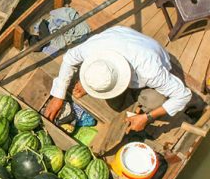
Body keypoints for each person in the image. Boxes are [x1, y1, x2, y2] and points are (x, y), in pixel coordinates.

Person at [42, 26, 199, 133]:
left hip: (151, 53)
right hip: (119, 37)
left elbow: (183, 95)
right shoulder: (91, 49)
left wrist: (147, 117)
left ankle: (140, 110)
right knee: (115, 103)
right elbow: (69, 58)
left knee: (154, 101)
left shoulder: (149, 70)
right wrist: (58, 96)